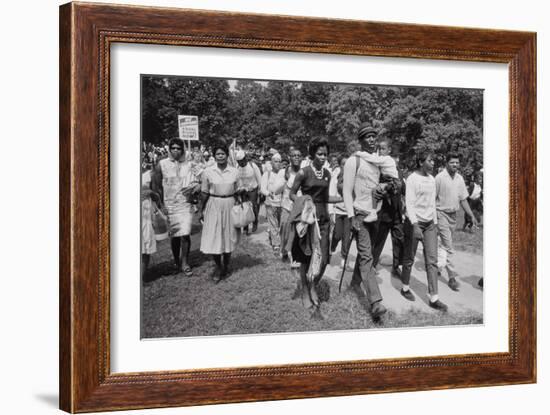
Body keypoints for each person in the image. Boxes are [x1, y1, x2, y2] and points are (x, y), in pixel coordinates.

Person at [342, 124, 398, 319]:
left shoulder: (379, 162)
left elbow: (393, 183)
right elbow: (346, 191)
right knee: (366, 256)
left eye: (374, 136)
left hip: (377, 214)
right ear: (361, 141)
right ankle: (375, 302)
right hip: (359, 214)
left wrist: (387, 186)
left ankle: (354, 283)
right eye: (368, 137)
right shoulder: (353, 161)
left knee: (368, 255)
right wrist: (351, 217)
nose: (373, 139)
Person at [290, 137, 341, 307]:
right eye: (319, 154)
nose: (323, 157)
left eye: (325, 154)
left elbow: (325, 198)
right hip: (308, 220)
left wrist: (345, 200)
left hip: (324, 220)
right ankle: (305, 291)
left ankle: (313, 285)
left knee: (324, 258)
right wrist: (304, 202)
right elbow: (292, 193)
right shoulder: (303, 172)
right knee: (306, 258)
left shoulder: (327, 173)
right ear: (312, 154)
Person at [401, 151, 448, 311]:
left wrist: (434, 224)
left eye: (433, 160)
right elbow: (409, 203)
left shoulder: (432, 179)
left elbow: (432, 204)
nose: (433, 163)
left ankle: (434, 298)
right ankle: (405, 287)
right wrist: (414, 225)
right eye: (430, 160)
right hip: (415, 223)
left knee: (432, 261)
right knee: (409, 259)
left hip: (429, 225)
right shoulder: (412, 179)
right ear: (421, 162)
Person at [152, 138, 199, 277]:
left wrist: (196, 187)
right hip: (170, 204)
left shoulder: (189, 164)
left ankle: (185, 262)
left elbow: (200, 179)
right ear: (169, 149)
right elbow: (156, 185)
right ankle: (176, 261)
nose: (176, 151)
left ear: (183, 150)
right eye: (173, 148)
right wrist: (161, 204)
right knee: (175, 236)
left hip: (185, 203)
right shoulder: (162, 164)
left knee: (185, 235)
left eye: (179, 148)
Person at [199, 140, 241, 282]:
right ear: (214, 156)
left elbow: (238, 190)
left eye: (223, 154)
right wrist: (201, 209)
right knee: (215, 236)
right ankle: (218, 266)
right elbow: (204, 192)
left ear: (227, 155)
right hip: (214, 204)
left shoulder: (234, 171)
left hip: (230, 204)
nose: (220, 156)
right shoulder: (208, 172)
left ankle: (226, 265)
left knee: (229, 235)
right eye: (218, 154)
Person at [435, 153, 478, 291]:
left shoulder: (459, 179)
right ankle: (452, 277)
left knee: (443, 244)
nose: (455, 165)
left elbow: (463, 199)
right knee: (448, 246)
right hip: (440, 214)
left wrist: (471, 215)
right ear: (447, 163)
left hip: (453, 216)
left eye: (457, 163)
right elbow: (431, 198)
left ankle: (437, 265)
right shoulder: (439, 178)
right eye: (452, 162)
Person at [371, 139, 405, 277]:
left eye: (383, 148)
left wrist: (405, 204)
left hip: (396, 211)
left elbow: (403, 188)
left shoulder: (398, 170)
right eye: (379, 148)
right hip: (383, 211)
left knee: (399, 239)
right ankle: (371, 265)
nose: (380, 151)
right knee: (379, 239)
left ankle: (396, 267)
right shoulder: (379, 169)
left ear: (390, 150)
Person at [280, 147, 303, 262]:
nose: (296, 157)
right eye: (294, 155)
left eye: (299, 155)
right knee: (285, 229)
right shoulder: (285, 172)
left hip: (298, 207)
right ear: (289, 157)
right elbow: (277, 187)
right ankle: (284, 250)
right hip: (286, 206)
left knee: (297, 232)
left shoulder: (304, 172)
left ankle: (295, 255)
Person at [260, 153, 287, 253]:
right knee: (273, 223)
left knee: (282, 224)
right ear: (271, 163)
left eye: (279, 161)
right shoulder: (267, 174)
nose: (278, 163)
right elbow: (262, 188)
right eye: (275, 161)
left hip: (282, 203)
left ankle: (274, 237)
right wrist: (268, 193)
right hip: (270, 203)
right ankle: (276, 244)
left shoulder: (284, 174)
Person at [330, 155, 352, 270]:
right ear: (340, 165)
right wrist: (331, 211)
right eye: (343, 164)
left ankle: (344, 260)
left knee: (346, 237)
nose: (346, 166)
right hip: (337, 211)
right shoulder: (335, 177)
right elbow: (331, 194)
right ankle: (331, 248)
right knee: (337, 234)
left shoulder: (354, 177)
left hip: (349, 213)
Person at [141, 162, 160, 279]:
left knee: (145, 244)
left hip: (146, 212)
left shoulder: (148, 174)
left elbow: (156, 193)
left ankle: (141, 276)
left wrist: (152, 193)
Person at [235, 150, 262, 233]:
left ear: (245, 159)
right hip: (243, 190)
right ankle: (246, 226)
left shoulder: (252, 166)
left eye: (241, 161)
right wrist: (239, 189)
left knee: (254, 207)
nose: (240, 163)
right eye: (239, 162)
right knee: (244, 208)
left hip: (252, 189)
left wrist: (260, 190)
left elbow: (259, 178)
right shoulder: (237, 167)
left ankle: (255, 222)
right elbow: (238, 179)